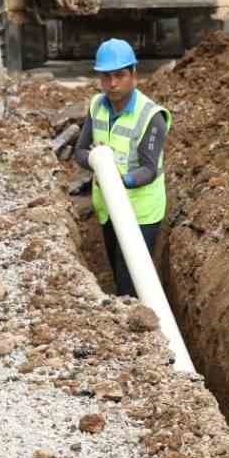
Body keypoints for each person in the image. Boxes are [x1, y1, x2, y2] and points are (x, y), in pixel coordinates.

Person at [73, 38, 168, 296]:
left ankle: (139, 321)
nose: (112, 83)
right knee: (118, 272)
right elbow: (79, 152)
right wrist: (95, 158)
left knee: (131, 281)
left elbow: (148, 169)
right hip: (107, 208)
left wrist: (119, 180)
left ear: (133, 75)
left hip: (141, 212)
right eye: (106, 76)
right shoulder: (97, 106)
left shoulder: (151, 116)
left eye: (119, 75)